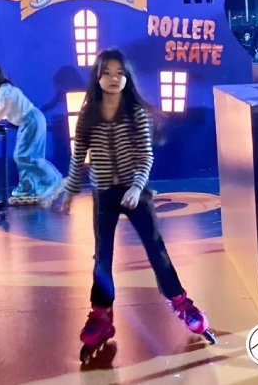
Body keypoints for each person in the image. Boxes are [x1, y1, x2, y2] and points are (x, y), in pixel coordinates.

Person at [62, 49, 215, 358]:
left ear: (127, 77)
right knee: (102, 256)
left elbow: (146, 156)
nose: (113, 78)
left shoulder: (136, 113)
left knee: (156, 249)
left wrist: (135, 188)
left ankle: (181, 302)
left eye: (119, 73)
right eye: (107, 72)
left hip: (136, 193)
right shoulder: (88, 114)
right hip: (104, 193)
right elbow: (79, 156)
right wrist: (70, 189)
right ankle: (101, 314)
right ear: (97, 77)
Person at [0, 62, 63, 206]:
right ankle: (28, 187)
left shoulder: (6, 88)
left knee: (24, 155)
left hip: (31, 120)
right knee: (24, 156)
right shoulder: (1, 91)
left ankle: (52, 179)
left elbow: (5, 110)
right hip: (28, 121)